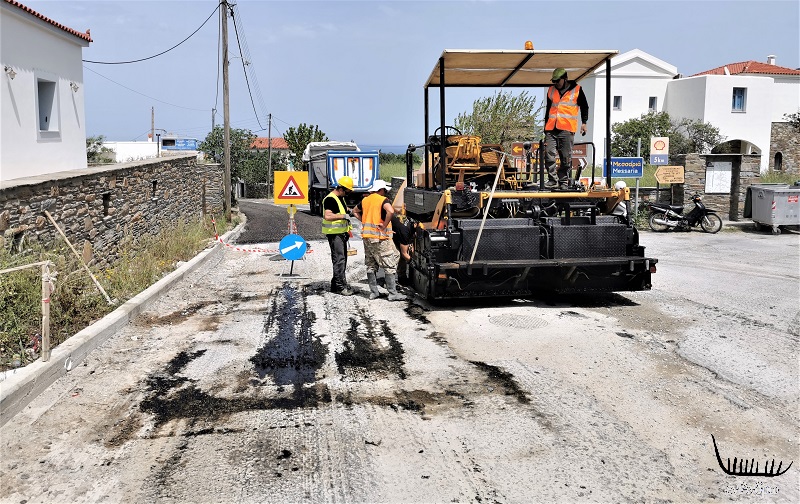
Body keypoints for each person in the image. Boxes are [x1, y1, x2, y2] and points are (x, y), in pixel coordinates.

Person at [353, 180, 404, 301]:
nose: (385, 193)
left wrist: (364, 222)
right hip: (379, 237)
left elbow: (355, 211)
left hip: (367, 237)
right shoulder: (382, 200)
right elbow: (390, 211)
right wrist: (384, 225)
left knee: (371, 264)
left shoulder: (365, 200)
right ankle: (392, 293)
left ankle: (374, 292)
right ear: (381, 190)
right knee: (389, 263)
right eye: (385, 190)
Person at [544, 67, 589, 191]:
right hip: (551, 128)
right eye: (553, 81)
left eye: (557, 81)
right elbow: (548, 110)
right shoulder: (551, 90)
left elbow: (585, 107)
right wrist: (545, 127)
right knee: (549, 154)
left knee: (565, 157)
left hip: (567, 129)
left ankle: (563, 181)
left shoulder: (577, 90)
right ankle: (553, 180)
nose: (555, 84)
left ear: (565, 79)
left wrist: (584, 123)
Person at [322, 175, 355, 295]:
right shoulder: (330, 199)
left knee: (341, 259)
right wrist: (344, 216)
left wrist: (351, 211)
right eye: (347, 191)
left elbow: (342, 209)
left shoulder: (340, 198)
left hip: (341, 234)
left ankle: (335, 284)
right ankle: (341, 287)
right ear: (341, 188)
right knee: (339, 260)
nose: (348, 193)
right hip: (334, 234)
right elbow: (328, 216)